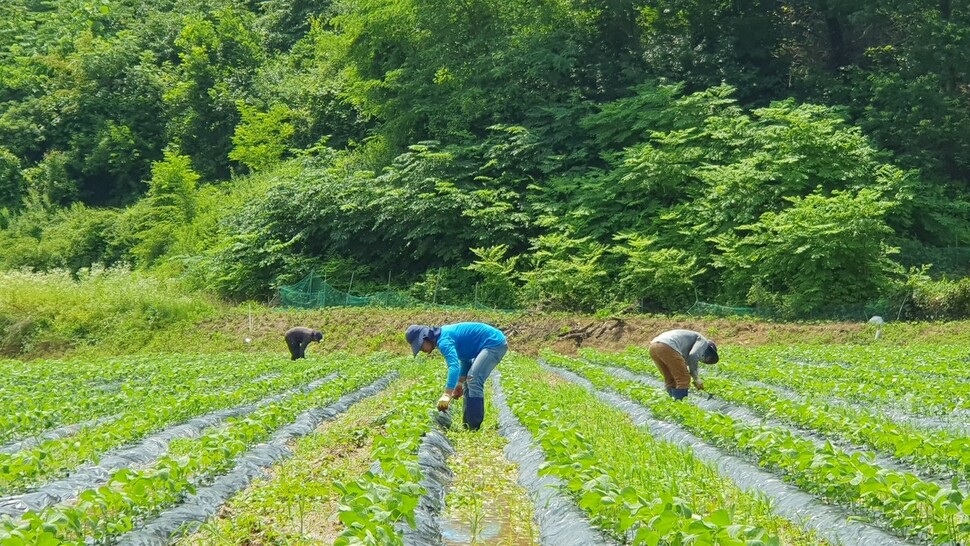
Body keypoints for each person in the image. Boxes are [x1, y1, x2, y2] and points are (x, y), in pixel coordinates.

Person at [405, 322, 508, 430]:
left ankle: (474, 427)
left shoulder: (443, 341)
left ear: (425, 337)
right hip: (487, 344)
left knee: (473, 379)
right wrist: (459, 383)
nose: (422, 350)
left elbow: (454, 366)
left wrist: (447, 394)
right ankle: (467, 425)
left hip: (494, 343)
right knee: (468, 381)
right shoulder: (443, 337)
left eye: (420, 346)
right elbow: (465, 358)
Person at [648, 329, 718, 400]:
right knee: (683, 378)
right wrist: (696, 378)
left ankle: (672, 404)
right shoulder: (704, 342)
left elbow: (683, 363)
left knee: (671, 379)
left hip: (653, 346)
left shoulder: (689, 343)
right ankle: (679, 404)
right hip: (667, 345)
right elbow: (693, 355)